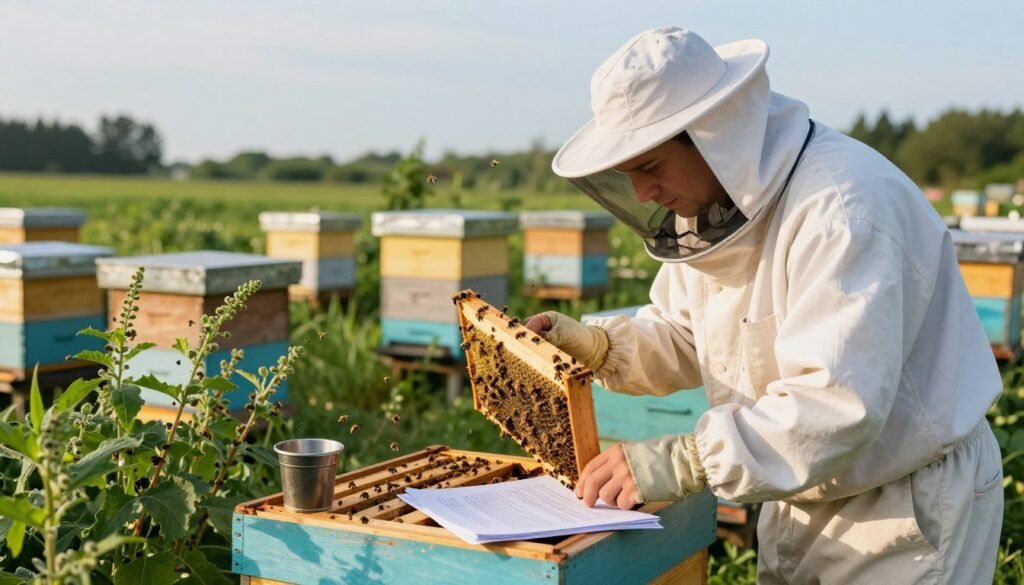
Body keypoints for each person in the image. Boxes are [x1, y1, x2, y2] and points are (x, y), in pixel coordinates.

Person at [525, 27, 1004, 584]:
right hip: (799, 490)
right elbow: (688, 335)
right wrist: (600, 347)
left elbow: (836, 403)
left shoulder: (842, 208)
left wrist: (689, 459)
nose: (642, 195)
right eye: (627, 174)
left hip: (901, 510)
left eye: (650, 167)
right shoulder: (715, 210)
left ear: (713, 135)